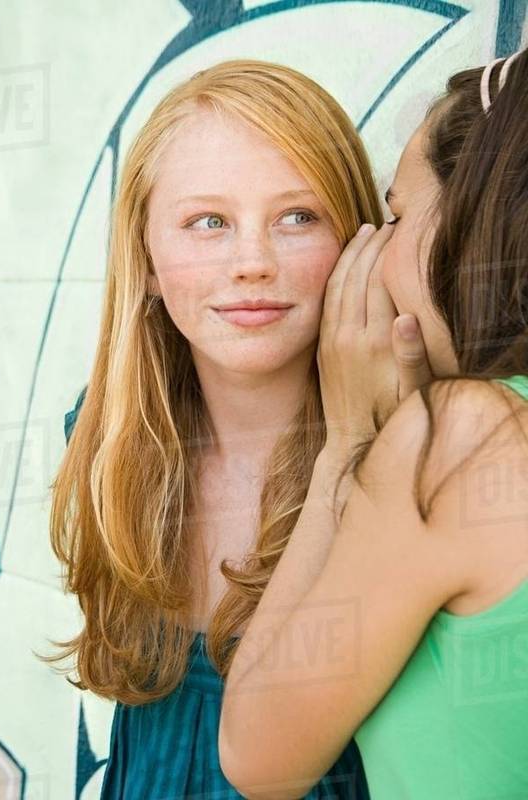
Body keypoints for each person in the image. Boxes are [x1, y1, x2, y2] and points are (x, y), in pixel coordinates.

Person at [48, 60, 414, 798]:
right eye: (208, 222)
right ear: (146, 258)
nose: (252, 262)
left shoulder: (406, 458)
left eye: (298, 216)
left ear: (359, 241)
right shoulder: (110, 441)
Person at [220, 53, 528, 799]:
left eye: (395, 216)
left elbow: (258, 759)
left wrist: (351, 443)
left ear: (473, 215)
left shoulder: (468, 440)